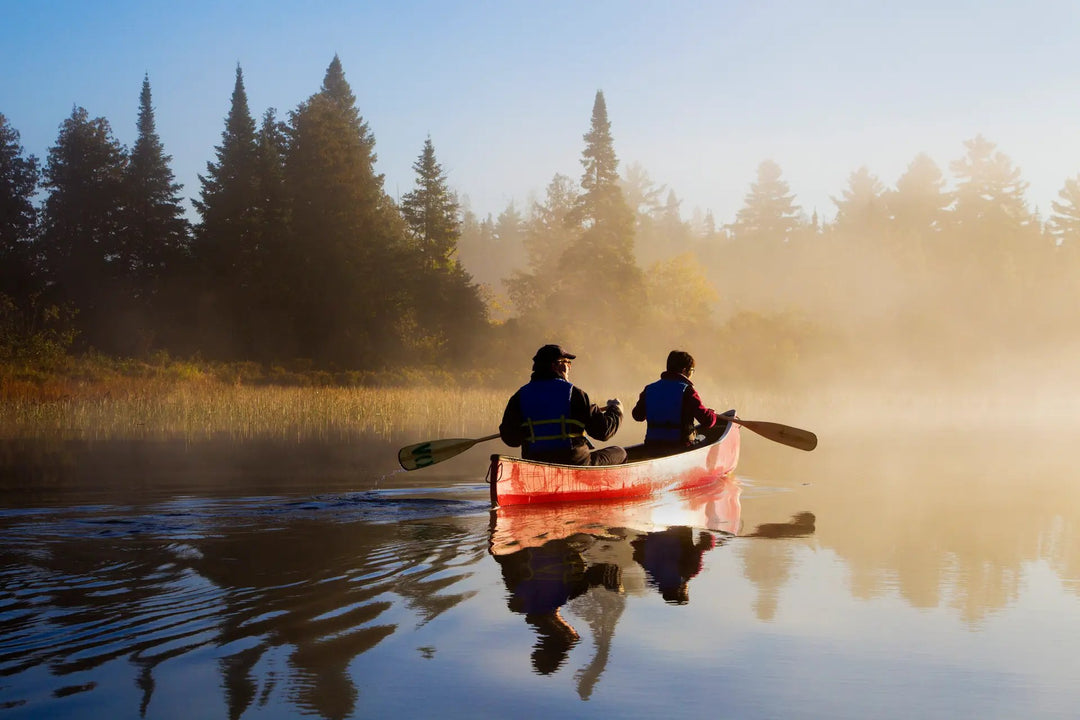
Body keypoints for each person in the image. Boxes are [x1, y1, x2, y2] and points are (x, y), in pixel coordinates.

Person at [500, 344, 627, 465]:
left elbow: (511, 440)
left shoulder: (519, 396)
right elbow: (603, 432)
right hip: (575, 462)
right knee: (620, 452)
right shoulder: (575, 394)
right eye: (567, 362)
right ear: (556, 366)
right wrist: (616, 411)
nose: (569, 368)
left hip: (535, 462)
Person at [632, 350, 723, 453]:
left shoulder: (649, 389)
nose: (692, 373)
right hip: (680, 446)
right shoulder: (687, 391)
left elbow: (637, 416)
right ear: (685, 370)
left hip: (652, 445)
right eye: (692, 370)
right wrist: (711, 414)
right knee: (703, 438)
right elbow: (708, 422)